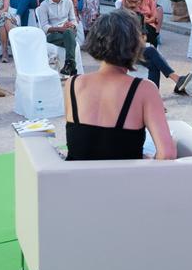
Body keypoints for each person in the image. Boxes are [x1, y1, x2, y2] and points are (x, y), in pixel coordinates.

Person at [64, 9, 175, 161]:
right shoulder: (145, 89)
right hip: (125, 182)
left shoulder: (73, 84)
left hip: (77, 181)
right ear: (135, 44)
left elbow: (88, 145)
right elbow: (167, 154)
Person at [37, 0, 79, 77]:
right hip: (53, 35)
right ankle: (71, 66)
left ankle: (69, 65)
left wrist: (71, 25)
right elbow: (44, 27)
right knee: (70, 38)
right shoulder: (44, 5)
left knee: (69, 33)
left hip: (68, 32)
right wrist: (60, 28)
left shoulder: (68, 2)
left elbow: (74, 20)